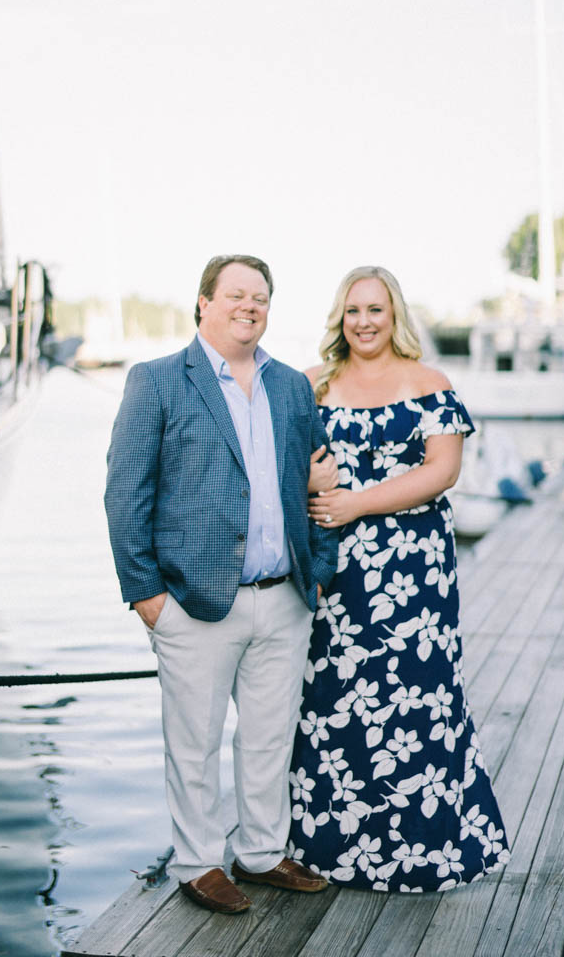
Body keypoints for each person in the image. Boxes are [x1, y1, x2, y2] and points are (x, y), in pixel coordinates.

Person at [104, 255, 339, 914]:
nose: (250, 305)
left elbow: (319, 479)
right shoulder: (156, 382)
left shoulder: (292, 387)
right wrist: (146, 595)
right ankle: (198, 862)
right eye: (236, 294)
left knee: (268, 736)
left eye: (261, 296)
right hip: (194, 602)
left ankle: (262, 853)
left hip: (284, 596)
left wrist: (316, 572)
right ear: (203, 303)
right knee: (194, 741)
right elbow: (126, 494)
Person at [288, 266, 509, 892]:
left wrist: (358, 502)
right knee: (333, 701)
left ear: (394, 316)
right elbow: (279, 460)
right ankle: (329, 849)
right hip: (334, 568)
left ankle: (424, 849)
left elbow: (443, 470)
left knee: (419, 695)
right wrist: (314, 485)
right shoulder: (311, 385)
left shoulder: (428, 384)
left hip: (413, 573)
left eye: (375, 311)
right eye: (353, 311)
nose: (363, 322)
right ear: (340, 317)